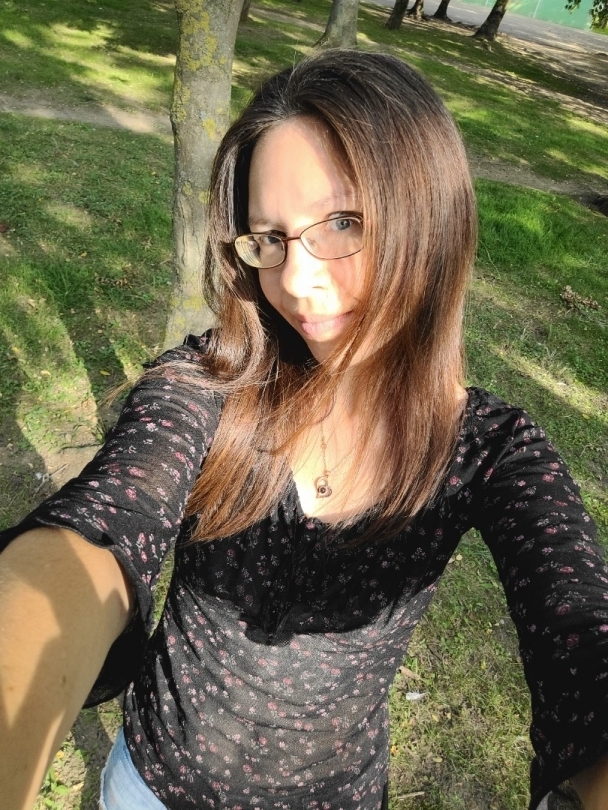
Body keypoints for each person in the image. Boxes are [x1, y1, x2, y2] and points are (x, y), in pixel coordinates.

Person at [0, 49, 607, 810]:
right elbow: (104, 523)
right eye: (270, 237)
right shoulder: (209, 385)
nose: (295, 280)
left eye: (344, 223)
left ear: (432, 219)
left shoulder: (491, 452)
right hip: (147, 786)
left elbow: (579, 628)